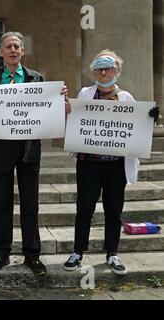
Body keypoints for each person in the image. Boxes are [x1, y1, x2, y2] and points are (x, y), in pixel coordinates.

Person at [0, 32, 69, 275]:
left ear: (23, 51)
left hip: (29, 151)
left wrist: (59, 100)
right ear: (1, 52)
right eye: (8, 47)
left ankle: (32, 255)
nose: (13, 50)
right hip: (3, 150)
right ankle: (1, 253)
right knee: (2, 204)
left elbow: (49, 112)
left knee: (30, 204)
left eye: (17, 46)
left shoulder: (36, 79)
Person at [63, 50, 159, 275]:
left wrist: (152, 117)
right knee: (84, 208)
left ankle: (112, 253)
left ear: (118, 71)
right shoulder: (85, 94)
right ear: (94, 71)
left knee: (113, 210)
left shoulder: (127, 98)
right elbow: (75, 120)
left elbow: (138, 127)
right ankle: (78, 252)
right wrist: (68, 110)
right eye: (99, 68)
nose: (103, 72)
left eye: (108, 68)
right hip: (88, 164)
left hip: (116, 166)